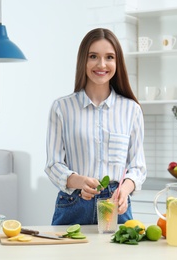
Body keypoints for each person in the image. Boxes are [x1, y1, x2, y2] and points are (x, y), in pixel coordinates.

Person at [45, 28, 147, 225]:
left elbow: (138, 166)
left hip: (115, 205)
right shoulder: (62, 108)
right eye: (93, 56)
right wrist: (79, 181)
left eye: (109, 57)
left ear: (117, 63)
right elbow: (53, 164)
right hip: (73, 203)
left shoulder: (131, 110)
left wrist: (124, 190)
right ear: (83, 60)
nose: (102, 64)